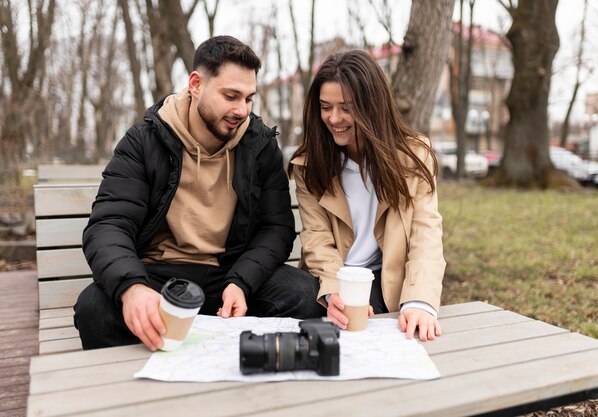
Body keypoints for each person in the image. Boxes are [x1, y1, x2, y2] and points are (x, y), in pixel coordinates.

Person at [74, 36, 324, 351]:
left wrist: (242, 281)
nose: (241, 110)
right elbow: (109, 224)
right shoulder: (143, 141)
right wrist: (133, 288)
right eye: (231, 95)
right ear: (196, 84)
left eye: (248, 98)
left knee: (303, 294)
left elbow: (276, 229)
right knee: (94, 310)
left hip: (229, 274)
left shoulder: (259, 145)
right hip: (158, 276)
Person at [289, 50, 446, 341]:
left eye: (346, 108)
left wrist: (419, 301)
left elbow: (426, 233)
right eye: (325, 107)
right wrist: (335, 289)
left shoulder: (413, 156)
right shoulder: (310, 164)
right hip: (332, 281)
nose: (334, 119)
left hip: (386, 284)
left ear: (371, 106)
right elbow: (316, 238)